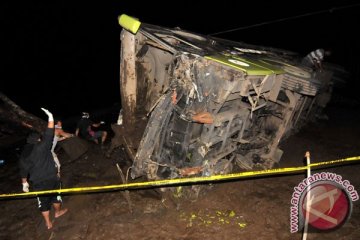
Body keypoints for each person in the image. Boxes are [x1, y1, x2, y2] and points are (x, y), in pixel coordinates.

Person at [19, 108, 68, 230]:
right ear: (38, 139)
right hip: (52, 178)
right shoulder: (42, 146)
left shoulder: (24, 152)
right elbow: (50, 132)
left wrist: (24, 183)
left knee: (43, 202)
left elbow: (23, 169)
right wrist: (50, 117)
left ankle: (48, 222)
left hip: (38, 182)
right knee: (56, 196)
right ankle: (57, 213)